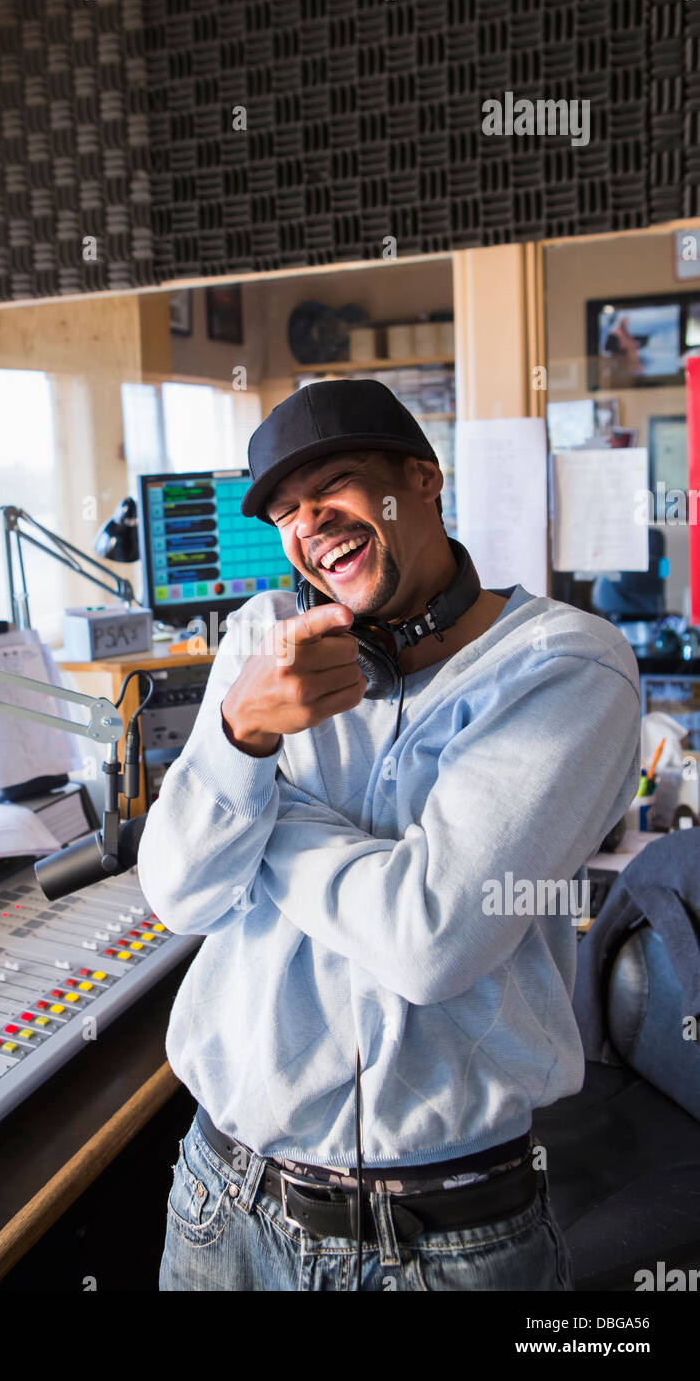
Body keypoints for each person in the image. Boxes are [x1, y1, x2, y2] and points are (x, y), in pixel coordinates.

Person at [137, 378, 642, 1291]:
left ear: (421, 478)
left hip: (442, 1237)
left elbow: (429, 937)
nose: (309, 523)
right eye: (285, 511)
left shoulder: (567, 665)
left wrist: (263, 806)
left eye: (332, 483)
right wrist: (239, 736)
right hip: (222, 1198)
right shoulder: (262, 639)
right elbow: (179, 894)